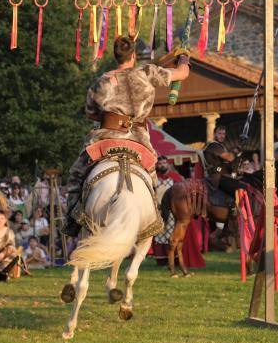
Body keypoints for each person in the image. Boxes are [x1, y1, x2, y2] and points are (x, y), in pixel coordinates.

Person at [63, 36, 190, 236]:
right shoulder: (147, 72)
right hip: (138, 139)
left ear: (116, 56)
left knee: (77, 174)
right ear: (133, 56)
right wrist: (183, 57)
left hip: (105, 138)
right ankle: (153, 216)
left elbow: (90, 112)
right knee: (151, 178)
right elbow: (183, 74)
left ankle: (72, 219)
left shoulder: (101, 81)